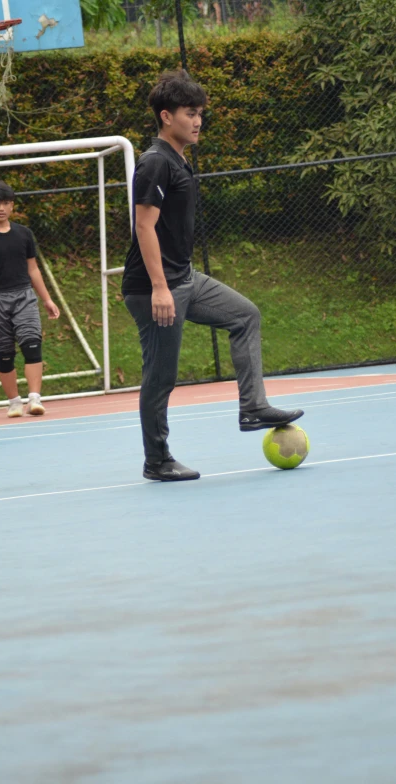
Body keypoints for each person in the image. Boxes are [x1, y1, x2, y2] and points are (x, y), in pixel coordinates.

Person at [123, 70, 304, 482]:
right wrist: (159, 289)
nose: (198, 120)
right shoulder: (154, 162)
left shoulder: (178, 159)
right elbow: (144, 226)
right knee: (161, 376)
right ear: (167, 117)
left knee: (245, 315)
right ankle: (157, 460)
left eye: (200, 112)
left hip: (184, 278)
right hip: (155, 288)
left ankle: (253, 407)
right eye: (191, 113)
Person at [0, 180, 60, 417]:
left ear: (12, 206)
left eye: (6, 203)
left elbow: (33, 270)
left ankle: (35, 399)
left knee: (32, 343)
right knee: (3, 353)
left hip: (24, 296)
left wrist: (47, 299)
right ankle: (14, 402)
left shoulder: (24, 234)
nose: (2, 208)